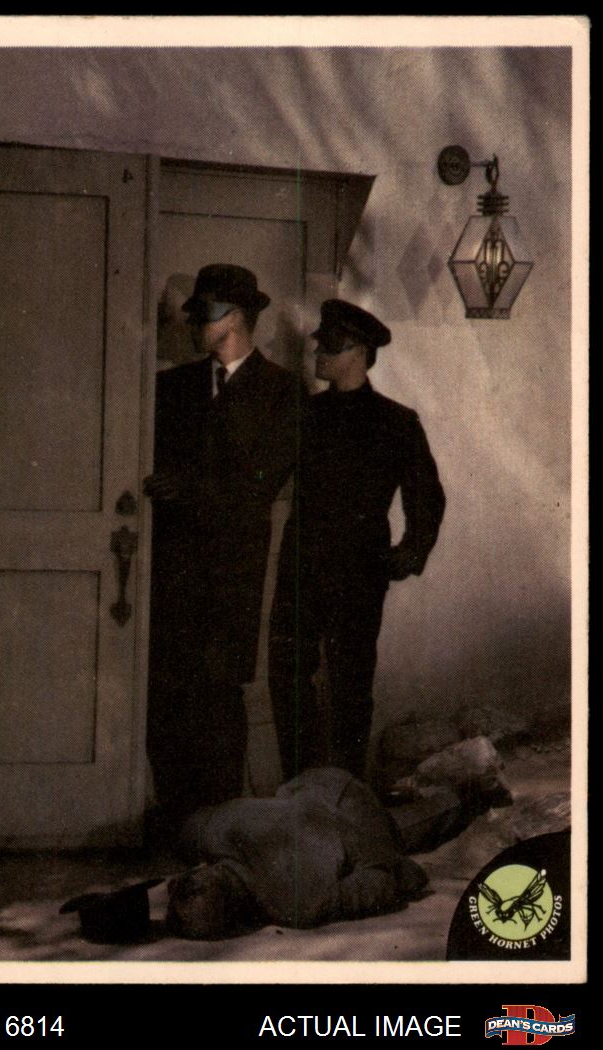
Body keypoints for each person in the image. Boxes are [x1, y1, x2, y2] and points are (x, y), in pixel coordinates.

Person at [144, 264, 300, 825]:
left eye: (203, 314)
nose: (192, 325)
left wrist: (188, 488)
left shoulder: (283, 392)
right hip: (170, 569)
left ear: (236, 318)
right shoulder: (170, 388)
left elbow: (262, 480)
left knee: (219, 694)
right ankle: (179, 824)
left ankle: (221, 828)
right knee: (166, 694)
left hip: (233, 572)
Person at [269, 299, 445, 783]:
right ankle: (301, 787)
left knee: (351, 684)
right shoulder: (305, 415)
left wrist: (409, 553)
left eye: (330, 346)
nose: (318, 354)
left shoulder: (397, 421)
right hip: (301, 566)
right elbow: (264, 477)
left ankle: (345, 791)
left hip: (359, 570)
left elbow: (427, 497)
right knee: (288, 676)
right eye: (319, 344)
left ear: (360, 353)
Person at [166, 765, 495, 939]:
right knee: (399, 828)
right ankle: (471, 790)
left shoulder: (295, 904)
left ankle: (477, 792)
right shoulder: (212, 832)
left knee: (407, 831)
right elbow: (378, 882)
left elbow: (382, 882)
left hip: (347, 808)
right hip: (316, 782)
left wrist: (398, 868)